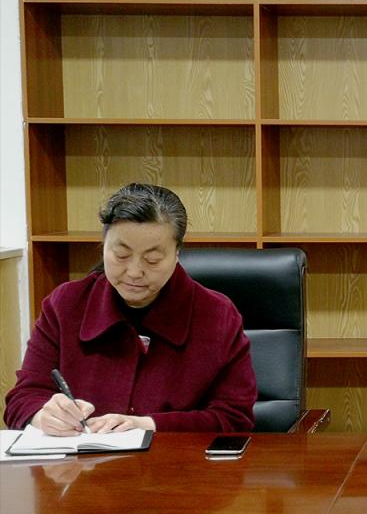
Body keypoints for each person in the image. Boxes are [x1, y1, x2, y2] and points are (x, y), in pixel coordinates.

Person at [4, 183, 257, 434]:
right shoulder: (66, 304)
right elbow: (22, 399)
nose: (134, 272)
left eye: (152, 260)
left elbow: (235, 418)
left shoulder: (217, 315)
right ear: (103, 246)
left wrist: (146, 425)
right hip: (81, 459)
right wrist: (43, 415)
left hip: (177, 459)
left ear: (177, 253)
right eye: (121, 255)